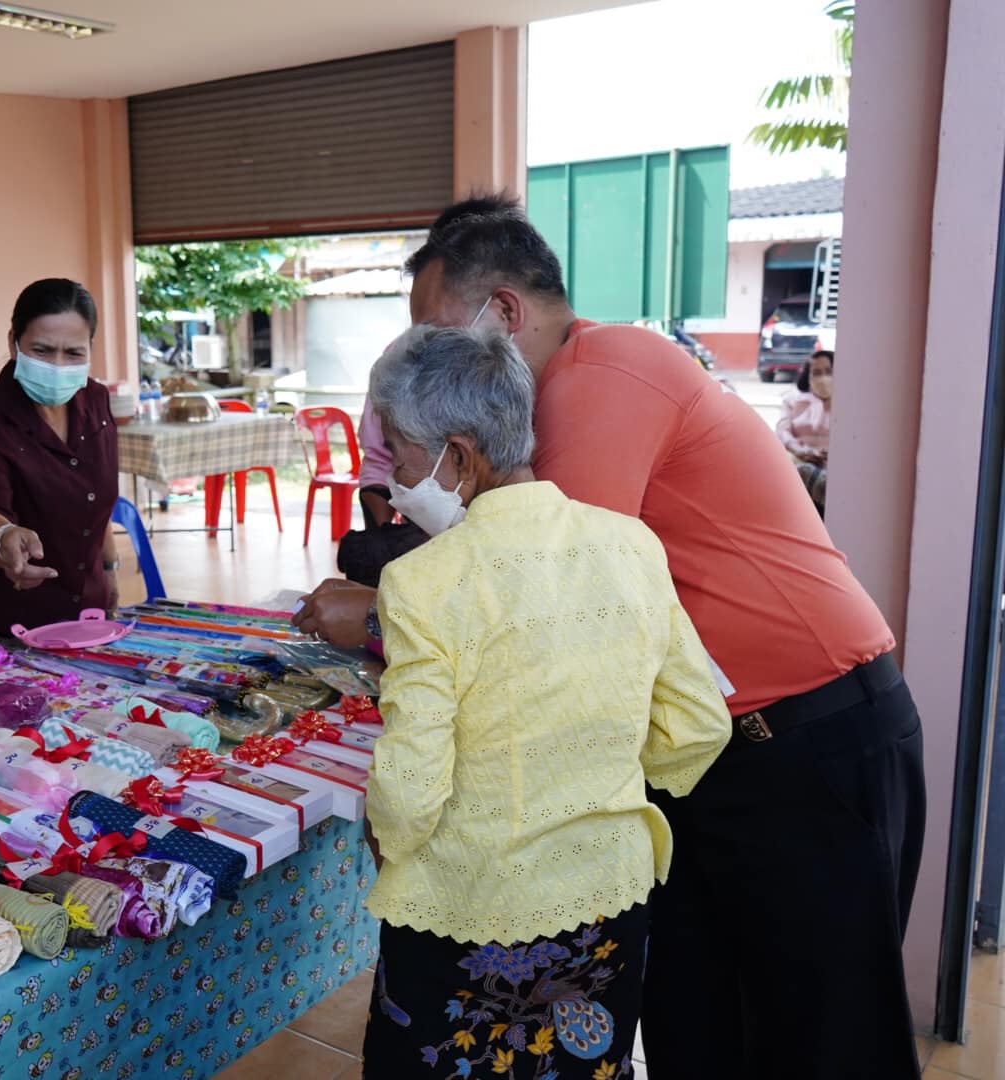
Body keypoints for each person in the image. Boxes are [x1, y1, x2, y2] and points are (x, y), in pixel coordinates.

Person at [298, 195, 925, 1080]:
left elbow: (537, 604)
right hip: (710, 750)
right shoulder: (544, 405)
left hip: (808, 739)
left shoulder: (605, 371)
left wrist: (379, 609)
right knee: (694, 1021)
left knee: (825, 1037)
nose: (431, 362)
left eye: (439, 336)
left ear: (503, 315)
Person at [361, 323, 730, 1079]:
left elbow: (407, 796)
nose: (392, 475)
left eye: (398, 452)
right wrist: (603, 770)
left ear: (457, 457)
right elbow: (698, 724)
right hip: (607, 895)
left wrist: (390, 841)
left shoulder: (425, 581)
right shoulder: (631, 545)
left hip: (467, 906)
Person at [0, 279, 121, 666]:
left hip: (83, 601)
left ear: (90, 351)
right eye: (42, 350)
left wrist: (108, 569)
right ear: (13, 344)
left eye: (73, 353)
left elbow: (96, 498)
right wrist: (4, 539)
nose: (57, 366)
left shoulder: (96, 400)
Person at [333, 397, 427, 589]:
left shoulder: (382, 376)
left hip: (376, 474)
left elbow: (367, 435)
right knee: (419, 549)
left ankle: (371, 601)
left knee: (376, 551)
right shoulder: (437, 378)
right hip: (420, 473)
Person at [776, 349, 834, 514]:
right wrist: (802, 451)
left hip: (832, 471)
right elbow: (782, 432)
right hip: (797, 464)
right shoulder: (793, 401)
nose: (823, 378)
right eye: (816, 373)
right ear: (808, 377)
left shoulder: (847, 403)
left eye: (828, 372)